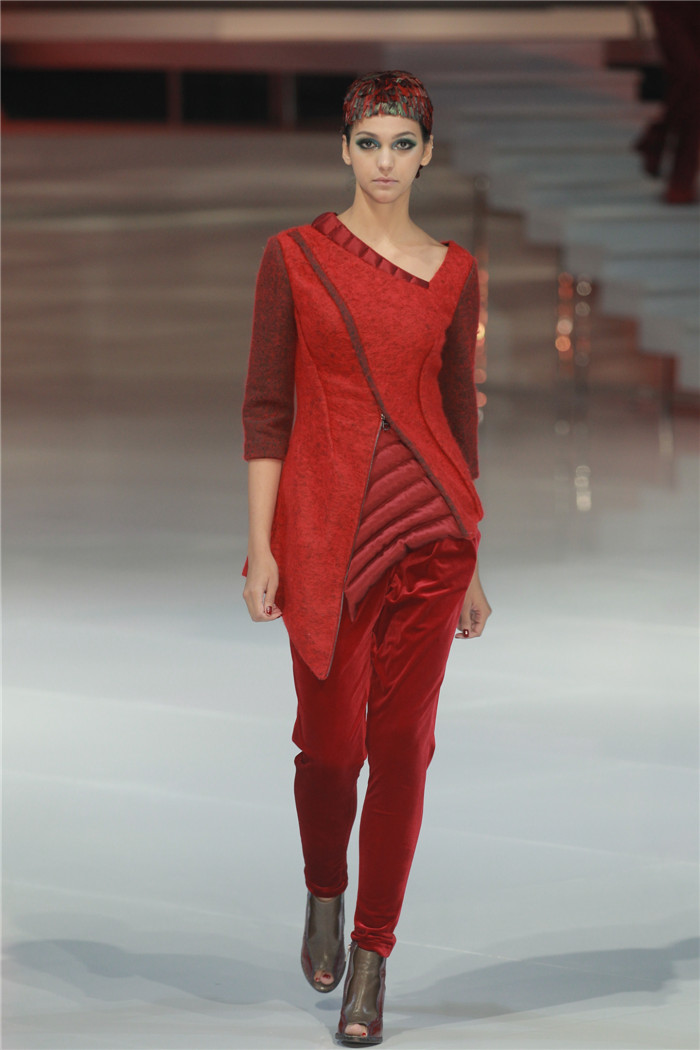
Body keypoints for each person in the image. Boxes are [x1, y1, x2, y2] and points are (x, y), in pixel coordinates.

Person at [242, 70, 491, 1046]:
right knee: (330, 749)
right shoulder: (294, 257)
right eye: (370, 142)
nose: (385, 161)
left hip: (433, 535)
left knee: (401, 749)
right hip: (323, 535)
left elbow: (459, 416)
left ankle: (374, 958)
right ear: (344, 150)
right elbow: (267, 407)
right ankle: (324, 887)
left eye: (403, 144)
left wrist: (475, 565)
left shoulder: (455, 272)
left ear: (427, 155)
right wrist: (259, 544)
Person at [634, 2, 700, 204]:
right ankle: (679, 179)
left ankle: (681, 180)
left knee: (694, 89)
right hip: (669, 6)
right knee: (690, 74)